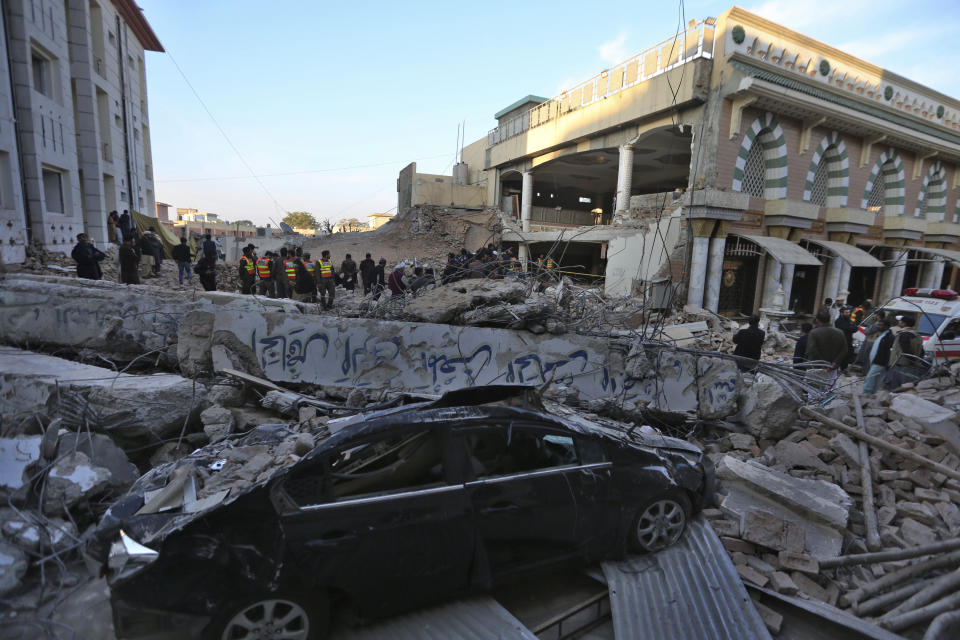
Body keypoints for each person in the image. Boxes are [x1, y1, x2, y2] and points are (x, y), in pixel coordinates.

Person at [806, 309, 849, 388]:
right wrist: (834, 363)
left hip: (817, 367)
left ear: (817, 320)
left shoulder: (814, 333)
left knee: (814, 392)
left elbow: (811, 350)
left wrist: (823, 364)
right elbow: (844, 349)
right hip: (832, 368)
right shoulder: (840, 332)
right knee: (829, 390)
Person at [863, 317, 895, 394]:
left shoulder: (889, 337)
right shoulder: (882, 335)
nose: (878, 327)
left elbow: (889, 351)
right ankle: (871, 396)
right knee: (876, 381)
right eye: (878, 325)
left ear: (886, 326)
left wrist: (887, 364)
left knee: (870, 379)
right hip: (877, 362)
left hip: (880, 363)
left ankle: (866, 395)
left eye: (881, 325)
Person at [834, 306, 857, 371]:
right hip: (841, 341)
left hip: (849, 341)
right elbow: (845, 329)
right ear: (842, 313)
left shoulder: (849, 320)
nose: (848, 314)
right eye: (846, 312)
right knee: (840, 355)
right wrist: (850, 328)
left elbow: (855, 328)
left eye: (849, 312)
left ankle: (844, 369)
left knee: (847, 355)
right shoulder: (838, 321)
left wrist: (850, 328)